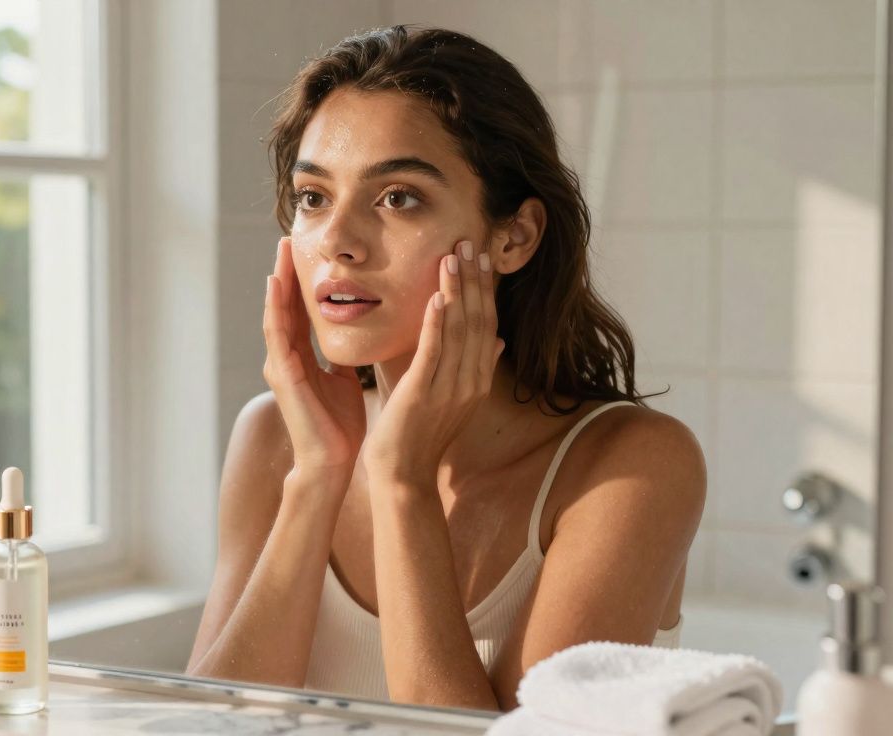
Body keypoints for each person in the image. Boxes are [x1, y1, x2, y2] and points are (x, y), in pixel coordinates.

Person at [188, 26, 706, 711]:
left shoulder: (629, 468)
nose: (337, 242)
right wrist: (317, 477)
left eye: (398, 197)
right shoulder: (274, 439)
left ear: (513, 236)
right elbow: (205, 727)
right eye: (314, 197)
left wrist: (402, 482)